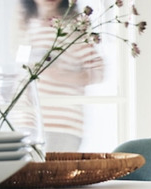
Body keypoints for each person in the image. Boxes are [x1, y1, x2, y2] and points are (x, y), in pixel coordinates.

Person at [18, 0, 105, 152]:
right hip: (28, 122)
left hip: (62, 124)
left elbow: (97, 72)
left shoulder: (73, 28)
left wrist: (59, 76)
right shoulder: (29, 26)